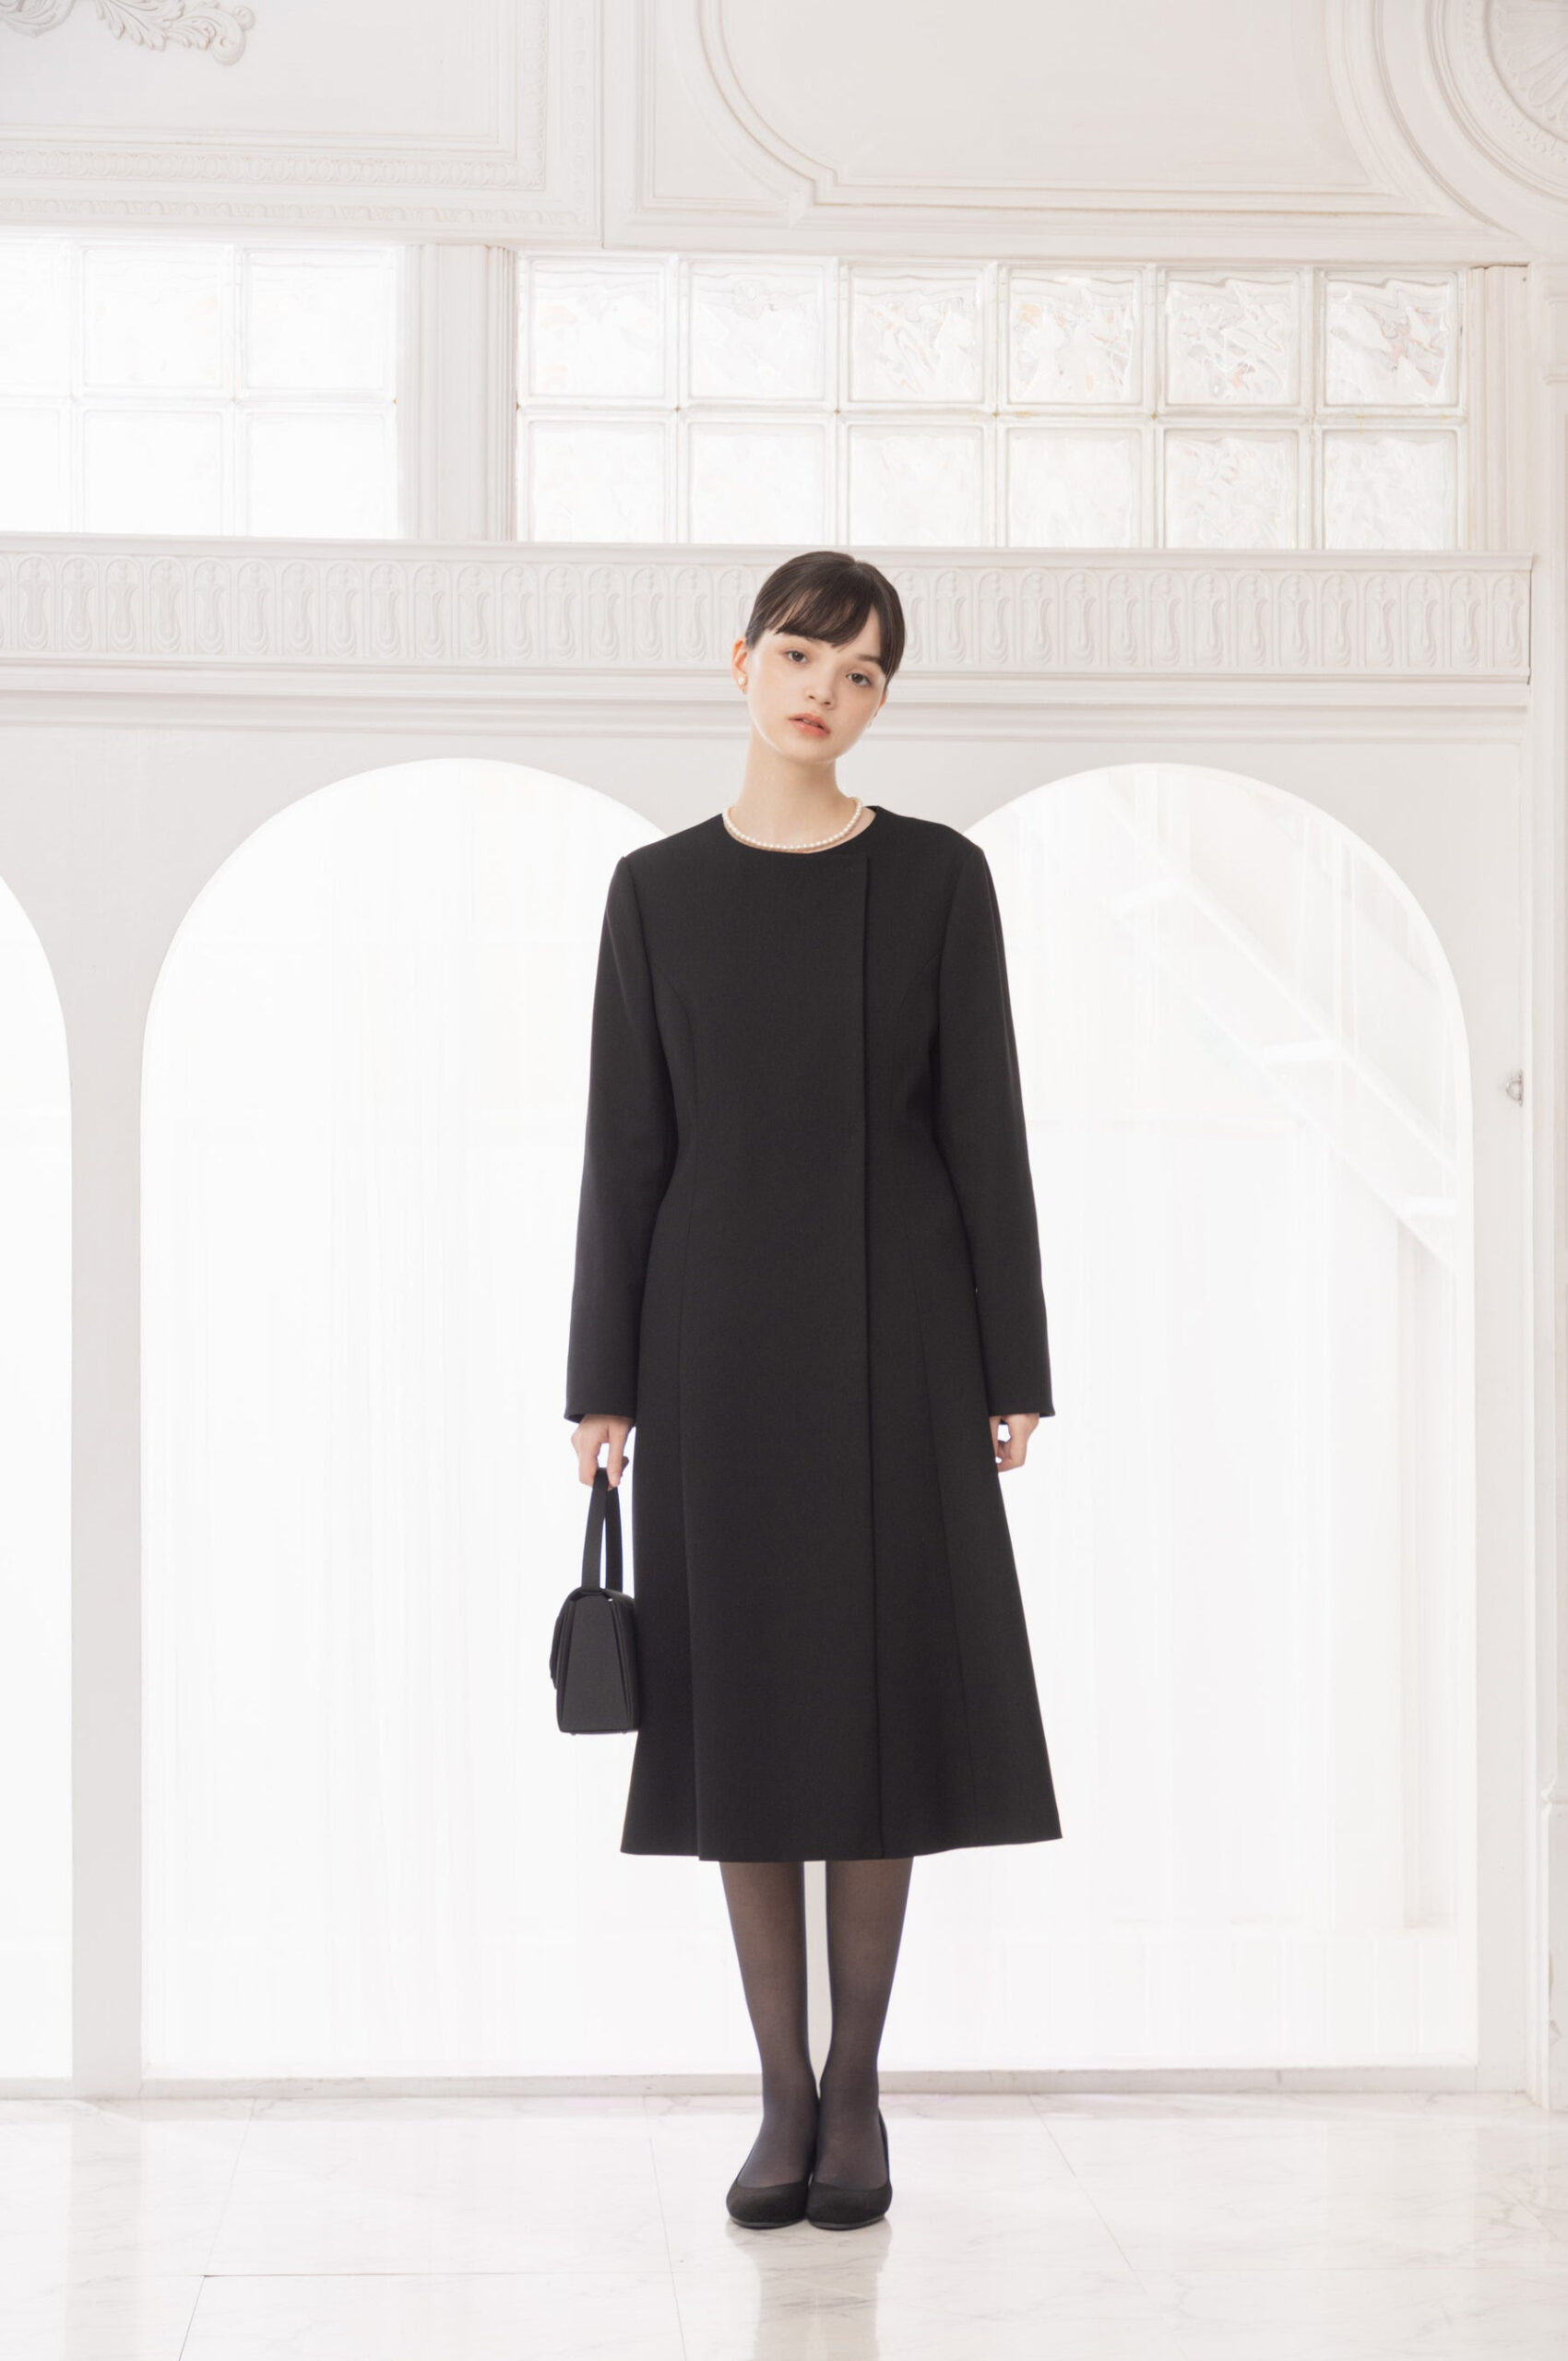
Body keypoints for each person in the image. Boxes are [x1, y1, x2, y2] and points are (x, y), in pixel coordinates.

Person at [564, 549, 1061, 2231]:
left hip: (903, 1334)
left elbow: (985, 1128)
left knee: (877, 1698)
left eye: (859, 676)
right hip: (711, 1344)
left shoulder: (937, 878)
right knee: (748, 1708)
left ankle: (859, 2091)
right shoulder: (653, 890)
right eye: (799, 657)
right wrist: (601, 1381)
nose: (823, 695)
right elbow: (625, 1147)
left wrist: (1012, 1360)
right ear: (741, 661)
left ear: (880, 700)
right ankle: (781, 2088)